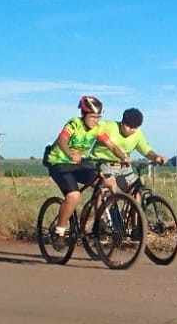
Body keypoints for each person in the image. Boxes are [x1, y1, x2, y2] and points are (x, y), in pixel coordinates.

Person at [44, 96, 130, 238]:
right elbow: (62, 140)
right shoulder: (74, 123)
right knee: (74, 195)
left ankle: (100, 221)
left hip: (79, 164)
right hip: (59, 163)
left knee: (106, 184)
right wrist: (70, 154)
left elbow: (112, 146)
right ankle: (59, 230)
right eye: (92, 117)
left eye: (98, 117)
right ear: (84, 115)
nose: (96, 120)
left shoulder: (98, 128)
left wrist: (123, 157)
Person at [90, 107, 167, 192]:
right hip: (103, 164)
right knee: (109, 188)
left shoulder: (138, 135)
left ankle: (135, 205)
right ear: (122, 122)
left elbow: (146, 150)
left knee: (135, 192)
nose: (132, 130)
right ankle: (103, 204)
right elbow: (91, 128)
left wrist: (156, 157)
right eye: (129, 126)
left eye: (135, 127)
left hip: (124, 167)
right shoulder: (108, 126)